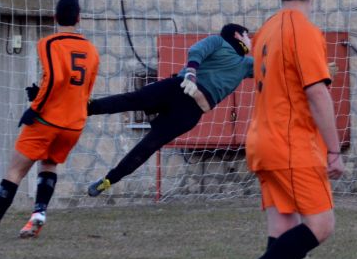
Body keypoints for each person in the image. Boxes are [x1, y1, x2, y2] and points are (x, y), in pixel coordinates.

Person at [222, 0, 344, 259]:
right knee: (321, 225)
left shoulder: (266, 30)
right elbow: (317, 93)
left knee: (282, 230)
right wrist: (334, 149)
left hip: (262, 140)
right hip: (291, 143)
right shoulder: (304, 31)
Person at [0, 0, 99, 240]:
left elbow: (55, 78)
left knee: (14, 171)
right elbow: (84, 89)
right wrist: (41, 92)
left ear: (55, 17)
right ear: (79, 18)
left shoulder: (49, 43)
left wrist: (35, 107)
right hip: (73, 124)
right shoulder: (91, 51)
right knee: (49, 164)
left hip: (47, 120)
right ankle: (39, 212)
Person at [84, 23, 254, 196]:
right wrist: (191, 74)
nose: (250, 41)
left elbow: (267, 69)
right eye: (247, 36)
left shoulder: (246, 64)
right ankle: (89, 108)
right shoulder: (218, 41)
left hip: (190, 111)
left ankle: (109, 180)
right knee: (133, 99)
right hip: (179, 89)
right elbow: (197, 51)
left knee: (150, 144)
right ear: (237, 35)